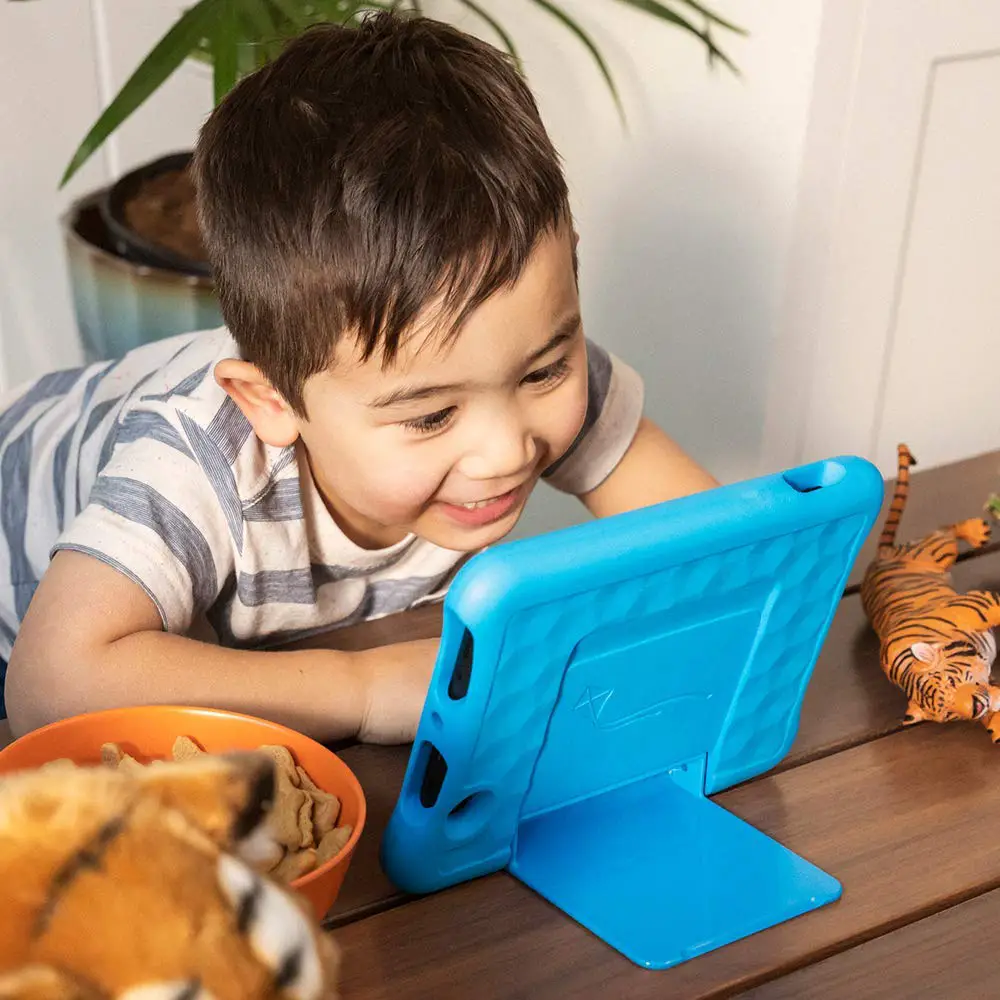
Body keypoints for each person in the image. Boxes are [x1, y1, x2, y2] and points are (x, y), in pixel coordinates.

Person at [0, 13, 717, 742]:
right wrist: (363, 688)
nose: (507, 449)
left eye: (543, 371)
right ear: (271, 402)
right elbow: (49, 685)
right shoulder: (198, 458)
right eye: (431, 417)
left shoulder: (511, 363)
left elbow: (719, 549)